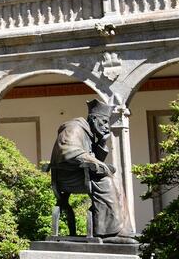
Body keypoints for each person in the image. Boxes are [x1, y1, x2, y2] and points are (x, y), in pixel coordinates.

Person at [49, 98, 134, 240]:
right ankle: (109, 233)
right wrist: (97, 163)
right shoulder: (74, 128)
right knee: (106, 182)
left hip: (82, 175)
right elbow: (68, 151)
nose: (107, 126)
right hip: (67, 178)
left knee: (115, 180)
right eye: (104, 122)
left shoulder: (89, 132)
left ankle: (122, 230)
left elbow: (95, 161)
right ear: (93, 119)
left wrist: (101, 141)